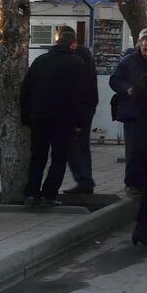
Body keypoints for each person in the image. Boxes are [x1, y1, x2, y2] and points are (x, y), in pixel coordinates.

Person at [20, 26, 88, 207]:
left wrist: (26, 116)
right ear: (73, 44)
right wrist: (80, 122)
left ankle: (31, 194)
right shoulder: (77, 64)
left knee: (38, 157)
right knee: (59, 158)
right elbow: (79, 97)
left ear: (57, 42)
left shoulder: (40, 61)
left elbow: (26, 89)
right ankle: (49, 195)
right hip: (63, 120)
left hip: (39, 118)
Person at [110, 28, 147, 246]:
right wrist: (128, 90)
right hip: (135, 113)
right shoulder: (129, 61)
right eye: (145, 49)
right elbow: (115, 81)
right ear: (139, 44)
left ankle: (143, 181)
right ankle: (134, 183)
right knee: (135, 151)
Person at [65, 34, 99, 195]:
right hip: (87, 107)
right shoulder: (86, 56)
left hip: (78, 109)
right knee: (82, 146)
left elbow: (75, 89)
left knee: (74, 146)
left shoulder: (77, 58)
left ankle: (84, 180)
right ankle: (86, 181)